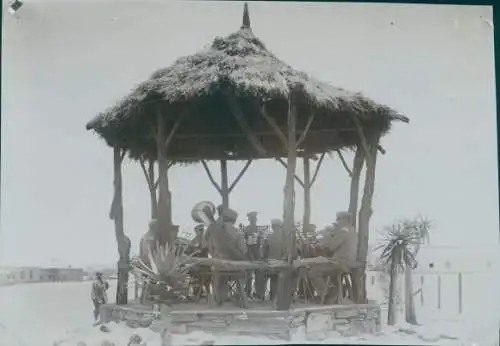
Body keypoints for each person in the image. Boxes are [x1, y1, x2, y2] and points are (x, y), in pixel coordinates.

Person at [262, 218, 285, 301]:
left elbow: (264, 253)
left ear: (273, 226)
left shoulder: (269, 237)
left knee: (268, 276)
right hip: (284, 265)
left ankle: (265, 295)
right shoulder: (287, 237)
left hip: (271, 265)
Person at [244, 211, 265, 299]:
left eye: (255, 219)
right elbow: (246, 244)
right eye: (252, 219)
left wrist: (261, 237)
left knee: (259, 275)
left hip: (257, 253)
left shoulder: (258, 229)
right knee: (249, 275)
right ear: (250, 220)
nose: (254, 221)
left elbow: (260, 243)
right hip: (250, 253)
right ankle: (248, 292)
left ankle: (258, 293)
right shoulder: (247, 229)